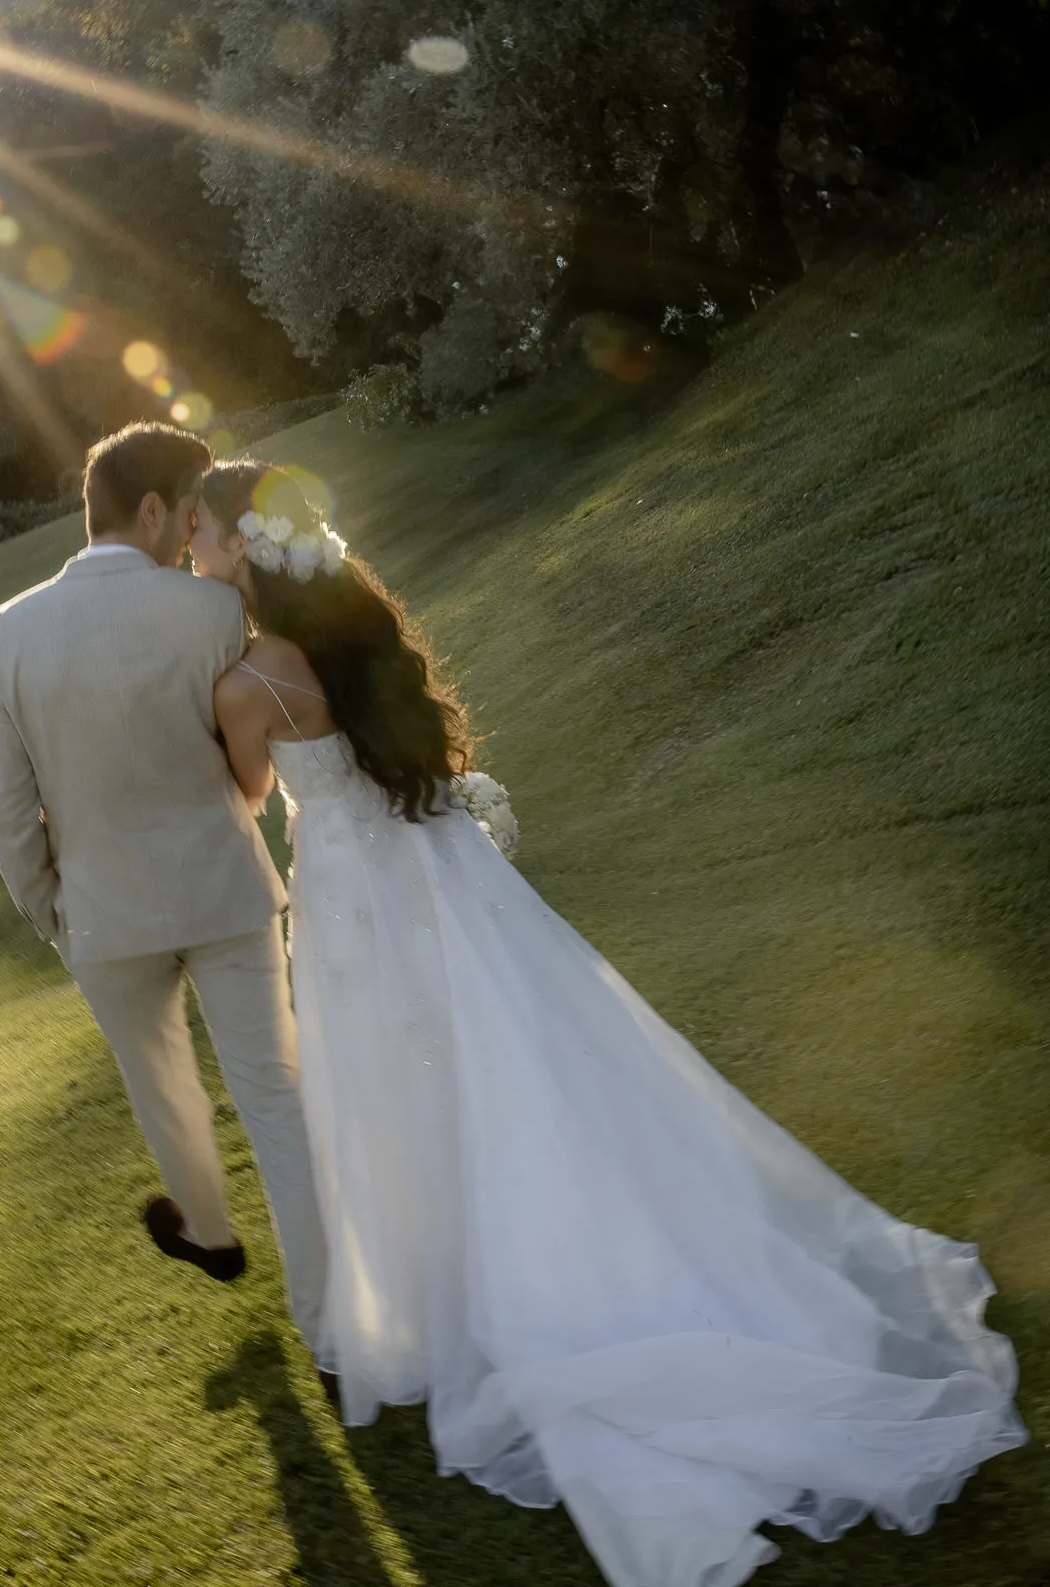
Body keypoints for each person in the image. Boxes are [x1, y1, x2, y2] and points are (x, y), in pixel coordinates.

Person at [189, 457, 1026, 1587]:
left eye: (203, 533)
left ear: (241, 550)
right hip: (443, 874)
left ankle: (468, 1287)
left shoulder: (246, 685)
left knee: (397, 1080)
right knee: (527, 1051)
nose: (193, 549)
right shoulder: (351, 637)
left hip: (354, 909)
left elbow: (247, 797)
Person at [0, 423, 326, 1358]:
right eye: (188, 513)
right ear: (151, 510)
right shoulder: (209, 610)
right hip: (223, 887)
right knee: (273, 1094)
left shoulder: (5, 632)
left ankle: (210, 1234)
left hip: (101, 914)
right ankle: (331, 1337)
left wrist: (52, 912)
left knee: (161, 1087)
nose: (191, 535)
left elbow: (7, 809)